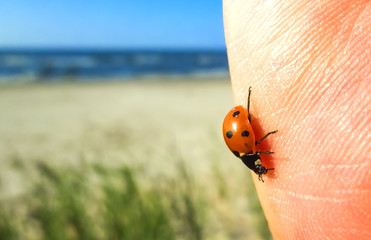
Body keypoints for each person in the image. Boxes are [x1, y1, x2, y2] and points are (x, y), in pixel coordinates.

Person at [223, 0, 371, 239]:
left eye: (259, 165)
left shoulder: (247, 148)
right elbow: (254, 142)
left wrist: (267, 140)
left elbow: (254, 137)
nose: (262, 164)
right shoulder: (247, 150)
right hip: (238, 122)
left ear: (254, 160)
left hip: (239, 119)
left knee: (252, 123)